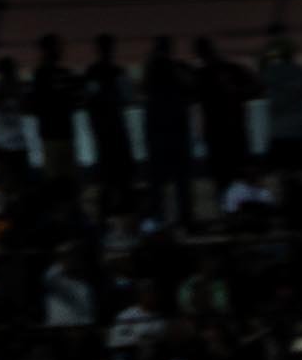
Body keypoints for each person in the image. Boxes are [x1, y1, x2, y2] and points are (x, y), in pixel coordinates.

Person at [193, 37, 258, 200]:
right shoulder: (232, 69)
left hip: (218, 132)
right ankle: (246, 208)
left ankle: (231, 209)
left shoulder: (202, 75)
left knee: (223, 175)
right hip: (234, 128)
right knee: (240, 170)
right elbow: (254, 87)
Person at [143, 37, 195, 226]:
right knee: (172, 182)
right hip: (168, 134)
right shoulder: (162, 71)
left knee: (169, 182)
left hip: (166, 134)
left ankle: (171, 218)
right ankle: (173, 218)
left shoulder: (166, 71)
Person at [83, 34, 135, 209]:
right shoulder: (115, 72)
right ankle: (120, 210)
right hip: (113, 130)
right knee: (119, 176)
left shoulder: (94, 73)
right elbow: (127, 98)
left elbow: (89, 101)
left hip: (106, 131)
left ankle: (108, 213)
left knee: (109, 176)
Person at [29, 35, 80, 183]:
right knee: (65, 176)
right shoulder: (60, 74)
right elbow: (73, 100)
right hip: (61, 132)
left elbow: (36, 104)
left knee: (55, 177)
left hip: (51, 133)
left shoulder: (40, 75)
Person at [261, 38, 302, 172]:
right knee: (299, 170)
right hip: (297, 128)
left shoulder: (270, 72)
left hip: (280, 129)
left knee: (283, 171)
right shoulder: (301, 72)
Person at [0, 57, 32, 190]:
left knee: (20, 183)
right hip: (2, 144)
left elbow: (27, 106)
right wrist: (2, 93)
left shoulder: (17, 88)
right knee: (6, 183)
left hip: (16, 143)